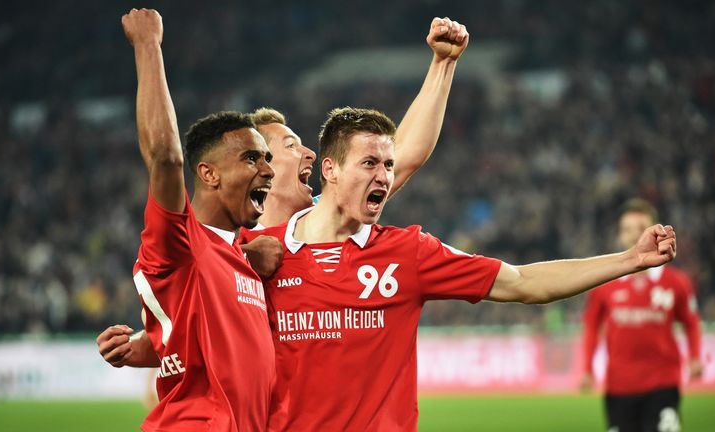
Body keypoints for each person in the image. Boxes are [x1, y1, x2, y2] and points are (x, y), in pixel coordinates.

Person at [249, 107, 679, 430]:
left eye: (388, 166)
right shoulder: (257, 254)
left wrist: (629, 260)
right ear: (331, 170)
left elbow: (524, 282)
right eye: (369, 164)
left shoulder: (408, 253)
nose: (383, 176)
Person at [98, 14, 470, 367]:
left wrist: (442, 65)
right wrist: (134, 348)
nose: (310, 152)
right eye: (291, 146)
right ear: (260, 167)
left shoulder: (325, 220)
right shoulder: (224, 247)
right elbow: (184, 329)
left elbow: (403, 156)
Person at [119, 9, 276, 431]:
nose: (268, 169)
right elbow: (166, 159)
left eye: (268, 158)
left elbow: (195, 335)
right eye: (250, 158)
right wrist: (148, 44)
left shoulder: (241, 253)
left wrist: (141, 345)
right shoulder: (181, 240)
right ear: (208, 174)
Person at [580, 198, 703, 432]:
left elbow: (691, 322)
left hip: (663, 384)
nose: (634, 235)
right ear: (619, 235)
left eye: (640, 228)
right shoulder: (604, 284)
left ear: (655, 231)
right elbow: (591, 328)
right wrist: (586, 368)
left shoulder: (677, 282)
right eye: (627, 229)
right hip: (618, 387)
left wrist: (695, 357)